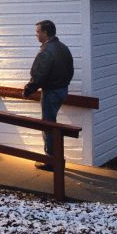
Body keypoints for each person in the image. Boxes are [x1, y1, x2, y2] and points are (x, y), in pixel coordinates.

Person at [23, 20, 74, 171]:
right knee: (53, 125)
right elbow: (70, 70)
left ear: (45, 33)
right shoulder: (63, 48)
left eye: (38, 32)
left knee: (48, 126)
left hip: (51, 92)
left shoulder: (46, 51)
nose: (36, 34)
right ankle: (55, 158)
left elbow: (39, 75)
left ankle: (51, 161)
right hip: (62, 90)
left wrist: (28, 90)